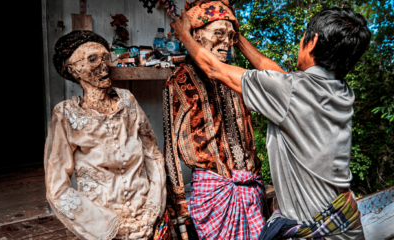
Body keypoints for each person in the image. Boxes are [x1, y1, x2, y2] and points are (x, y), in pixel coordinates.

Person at [172, 6, 371, 240]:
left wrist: (184, 35)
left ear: (313, 40)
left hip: (316, 234)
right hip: (346, 224)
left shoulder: (291, 91)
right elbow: (275, 73)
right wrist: (238, 39)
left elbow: (215, 69)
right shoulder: (339, 91)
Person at [45, 30, 167, 240]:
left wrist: (153, 209)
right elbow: (57, 188)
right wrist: (110, 227)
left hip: (146, 218)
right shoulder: (65, 114)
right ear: (72, 69)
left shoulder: (127, 101)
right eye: (92, 59)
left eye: (106, 57)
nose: (104, 66)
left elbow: (153, 155)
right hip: (104, 228)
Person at [163, 0, 266, 239]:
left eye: (231, 36)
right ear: (196, 35)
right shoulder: (179, 81)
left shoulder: (236, 78)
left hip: (251, 188)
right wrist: (178, 200)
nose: (226, 43)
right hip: (214, 194)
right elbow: (170, 148)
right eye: (218, 33)